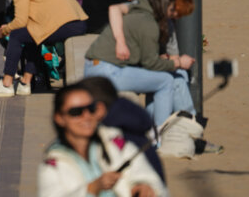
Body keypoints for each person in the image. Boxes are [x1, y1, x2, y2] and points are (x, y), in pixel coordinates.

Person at [84, 0, 196, 127]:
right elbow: (151, 63)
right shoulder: (149, 23)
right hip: (107, 71)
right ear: (166, 6)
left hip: (97, 66)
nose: (175, 16)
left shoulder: (139, 8)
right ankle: (160, 133)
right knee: (167, 81)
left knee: (171, 78)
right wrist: (179, 62)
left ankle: (174, 128)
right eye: (174, 11)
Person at [37, 83, 167, 197]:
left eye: (91, 109)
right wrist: (91, 188)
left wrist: (144, 186)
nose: (86, 116)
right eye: (76, 112)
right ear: (59, 118)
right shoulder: (53, 165)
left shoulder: (116, 143)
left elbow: (149, 177)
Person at [0, 0, 88, 97]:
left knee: (16, 35)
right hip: (78, 22)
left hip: (65, 25)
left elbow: (20, 20)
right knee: (31, 35)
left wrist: (4, 30)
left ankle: (7, 83)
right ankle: (25, 83)